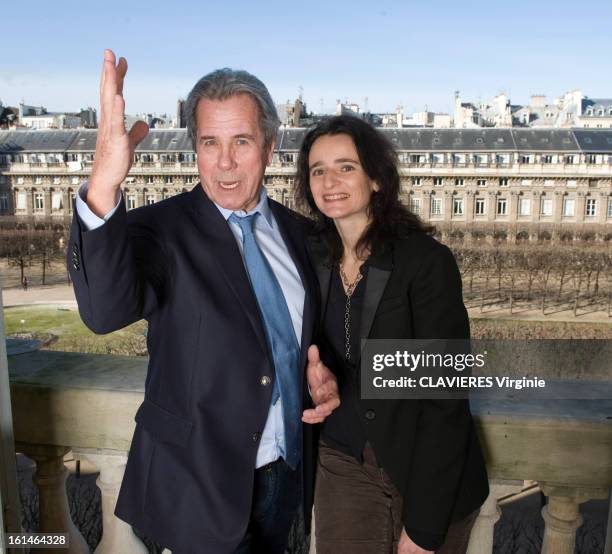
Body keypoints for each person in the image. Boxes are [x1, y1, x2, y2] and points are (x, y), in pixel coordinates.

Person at [67, 49, 340, 554]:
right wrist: (103, 183)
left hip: (287, 470)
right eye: (210, 143)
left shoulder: (302, 235)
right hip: (198, 483)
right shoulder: (160, 231)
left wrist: (313, 371)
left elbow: (290, 335)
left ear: (271, 146)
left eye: (242, 141)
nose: (226, 162)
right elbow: (103, 312)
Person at [295, 115, 490, 554]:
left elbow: (445, 402)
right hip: (345, 461)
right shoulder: (310, 257)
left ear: (377, 178)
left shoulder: (425, 263)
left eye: (346, 167)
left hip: (425, 470)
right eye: (318, 170)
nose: (330, 181)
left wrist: (422, 531)